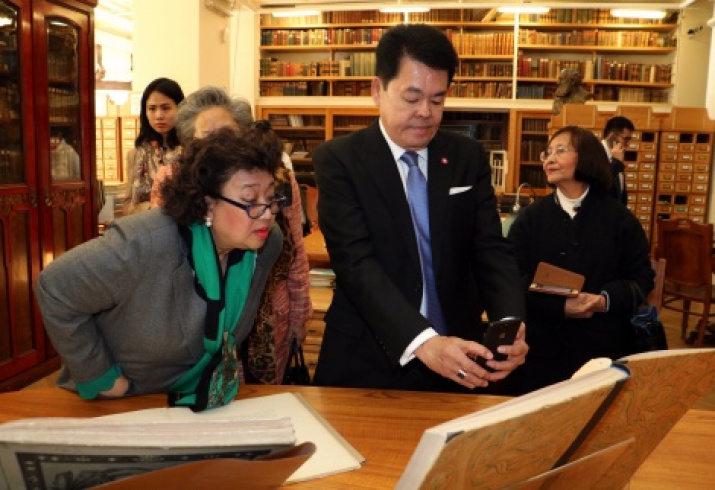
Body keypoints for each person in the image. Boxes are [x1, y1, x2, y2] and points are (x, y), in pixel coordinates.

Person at [312, 23, 528, 393]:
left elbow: (490, 248)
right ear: (377, 90)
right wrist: (422, 341)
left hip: (462, 353)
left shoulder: (466, 156)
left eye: (438, 99)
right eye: (411, 99)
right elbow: (355, 263)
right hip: (368, 356)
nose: (426, 112)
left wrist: (510, 321)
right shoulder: (339, 160)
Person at [36, 126, 286, 411]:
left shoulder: (266, 243)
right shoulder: (144, 242)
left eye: (271, 197)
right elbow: (55, 286)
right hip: (115, 404)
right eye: (250, 200)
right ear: (207, 204)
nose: (267, 213)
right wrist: (102, 378)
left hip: (193, 404)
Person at [151, 86, 311, 385]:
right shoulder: (171, 180)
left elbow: (295, 252)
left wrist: (300, 314)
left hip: (268, 314)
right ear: (189, 144)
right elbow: (164, 256)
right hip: (197, 315)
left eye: (228, 136)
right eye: (208, 139)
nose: (220, 148)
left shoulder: (277, 179)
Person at [507, 126, 654, 393]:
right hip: (541, 349)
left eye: (560, 151)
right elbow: (512, 278)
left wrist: (603, 300)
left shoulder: (619, 218)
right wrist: (559, 308)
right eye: (547, 153)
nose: (549, 159)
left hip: (602, 347)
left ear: (586, 157)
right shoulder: (529, 219)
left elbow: (641, 277)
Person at [123, 77, 184, 214]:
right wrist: (154, 208)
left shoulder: (190, 150)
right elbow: (128, 204)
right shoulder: (136, 154)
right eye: (152, 109)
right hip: (150, 226)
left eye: (165, 108)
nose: (158, 115)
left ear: (180, 108)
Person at [602, 116, 635, 205]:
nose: (628, 144)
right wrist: (615, 162)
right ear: (612, 136)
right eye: (626, 139)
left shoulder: (618, 155)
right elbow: (600, 185)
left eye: (630, 139)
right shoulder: (595, 153)